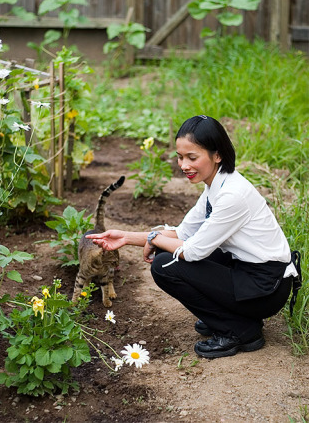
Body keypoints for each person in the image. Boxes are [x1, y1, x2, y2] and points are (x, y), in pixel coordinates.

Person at [86, 115, 300, 359]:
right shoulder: (215, 186)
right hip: (249, 272)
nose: (184, 165)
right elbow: (183, 232)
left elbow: (193, 250)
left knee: (166, 264)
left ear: (217, 155)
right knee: (178, 252)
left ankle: (240, 330)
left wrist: (155, 239)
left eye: (192, 157)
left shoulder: (232, 195)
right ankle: (231, 317)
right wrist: (125, 236)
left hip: (266, 288)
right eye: (180, 157)